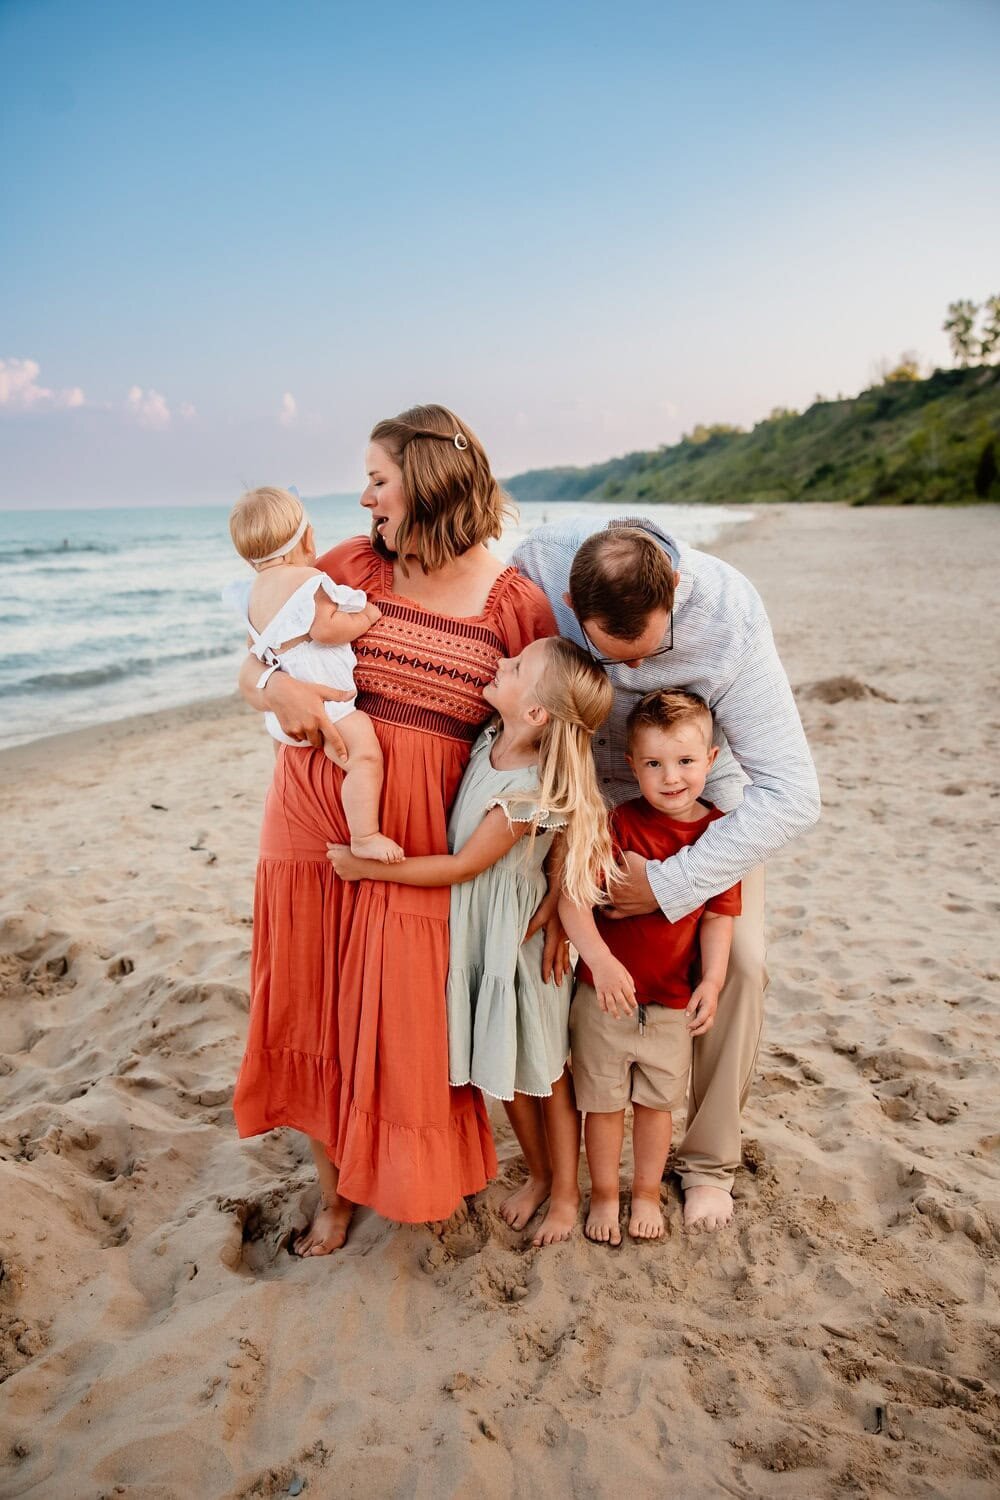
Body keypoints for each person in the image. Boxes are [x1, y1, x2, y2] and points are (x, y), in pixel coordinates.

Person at [232, 405, 557, 1254]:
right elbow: (254, 655)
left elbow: (549, 745)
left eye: (378, 479)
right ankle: (333, 1196)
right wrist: (276, 693)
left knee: (400, 1015)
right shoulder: (348, 568)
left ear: (429, 481)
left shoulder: (515, 604)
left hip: (418, 836)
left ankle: (400, 1174)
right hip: (309, 806)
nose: (364, 496)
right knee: (308, 1001)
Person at [511, 517, 820, 1232]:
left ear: (674, 593)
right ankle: (557, 1166)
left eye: (650, 653)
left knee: (739, 964)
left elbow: (794, 792)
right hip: (587, 815)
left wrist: (670, 884)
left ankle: (707, 1163)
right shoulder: (533, 568)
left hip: (701, 815)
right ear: (567, 601)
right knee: (534, 951)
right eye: (608, 655)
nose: (632, 676)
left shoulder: (730, 612)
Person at [329, 635, 617, 1247]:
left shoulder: (530, 790)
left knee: (547, 1070)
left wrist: (369, 867)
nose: (501, 663)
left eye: (515, 667)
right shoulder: (490, 739)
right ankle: (539, 1177)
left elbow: (464, 868)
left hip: (515, 942)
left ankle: (566, 1194)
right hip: (478, 939)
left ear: (537, 713)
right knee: (503, 1066)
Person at [561, 690, 741, 1245]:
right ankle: (607, 1195)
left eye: (686, 762)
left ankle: (643, 1193)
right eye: (655, 764)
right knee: (604, 1104)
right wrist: (601, 961)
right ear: (632, 766)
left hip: (669, 999)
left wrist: (711, 980)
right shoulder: (617, 824)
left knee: (657, 1105)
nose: (671, 777)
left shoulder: (719, 835)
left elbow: (717, 917)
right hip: (604, 997)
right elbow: (574, 899)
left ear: (710, 761)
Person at [224, 485, 403, 863]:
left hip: (282, 718)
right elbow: (326, 629)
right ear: (306, 539)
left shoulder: (251, 594)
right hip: (329, 705)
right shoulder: (308, 582)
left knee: (289, 763)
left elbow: (254, 648)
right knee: (365, 759)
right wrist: (364, 617)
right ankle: (365, 835)